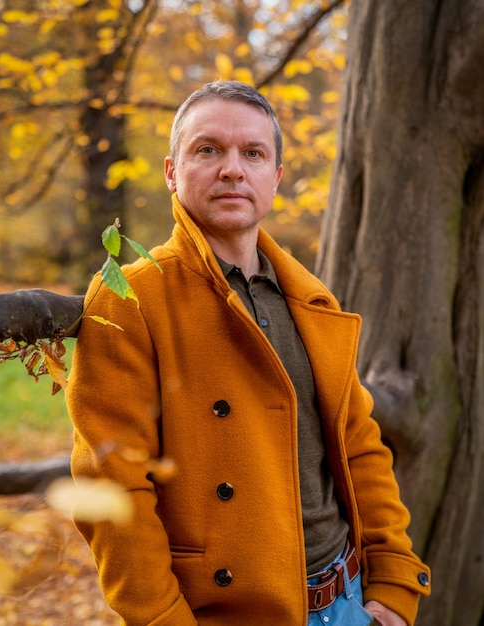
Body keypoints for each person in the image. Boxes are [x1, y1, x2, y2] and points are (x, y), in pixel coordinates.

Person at [66, 80, 431, 626]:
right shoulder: (132, 298)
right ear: (172, 171)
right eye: (208, 149)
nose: (233, 169)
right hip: (228, 611)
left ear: (275, 178)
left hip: (351, 598)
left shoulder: (310, 297)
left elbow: (360, 447)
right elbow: (113, 487)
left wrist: (395, 584)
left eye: (253, 153)